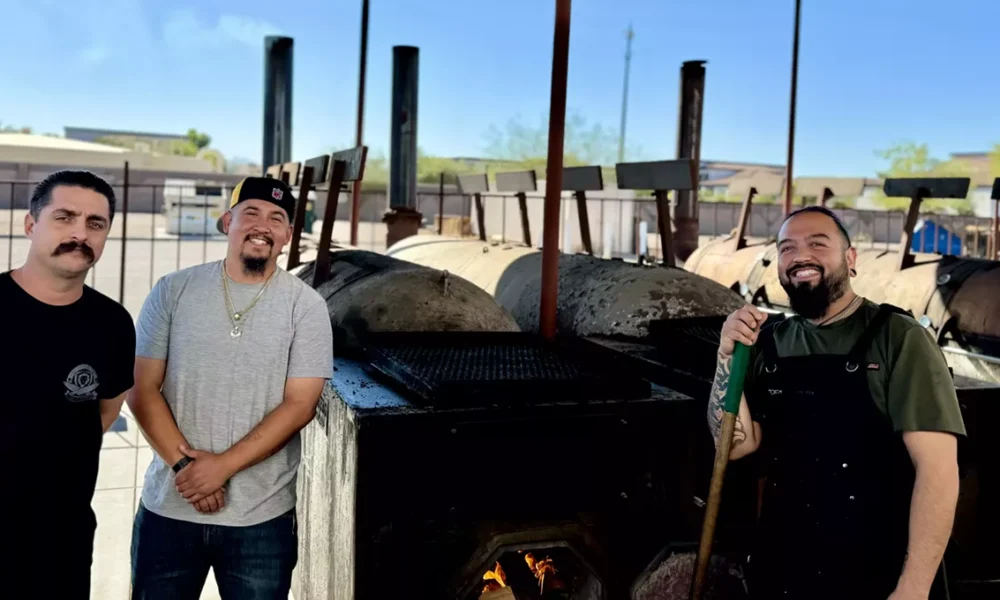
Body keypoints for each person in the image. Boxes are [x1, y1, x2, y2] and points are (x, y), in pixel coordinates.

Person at [707, 206, 966, 600]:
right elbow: (736, 445)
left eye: (817, 243)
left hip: (875, 569)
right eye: (787, 247)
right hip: (784, 566)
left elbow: (938, 471)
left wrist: (913, 587)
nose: (799, 256)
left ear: (850, 258)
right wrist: (726, 356)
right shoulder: (769, 340)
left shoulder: (899, 338)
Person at [127, 177, 334, 599]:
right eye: (251, 213)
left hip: (261, 520)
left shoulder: (307, 306)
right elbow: (142, 387)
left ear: (287, 236)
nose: (263, 225)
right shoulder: (174, 290)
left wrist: (221, 468)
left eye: (277, 218)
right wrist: (187, 471)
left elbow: (300, 405)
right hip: (169, 509)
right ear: (227, 222)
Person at [2, 171, 136, 598]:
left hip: (64, 537)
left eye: (95, 224)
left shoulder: (113, 324)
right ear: (30, 224)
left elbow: (107, 408)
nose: (80, 233)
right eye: (64, 217)